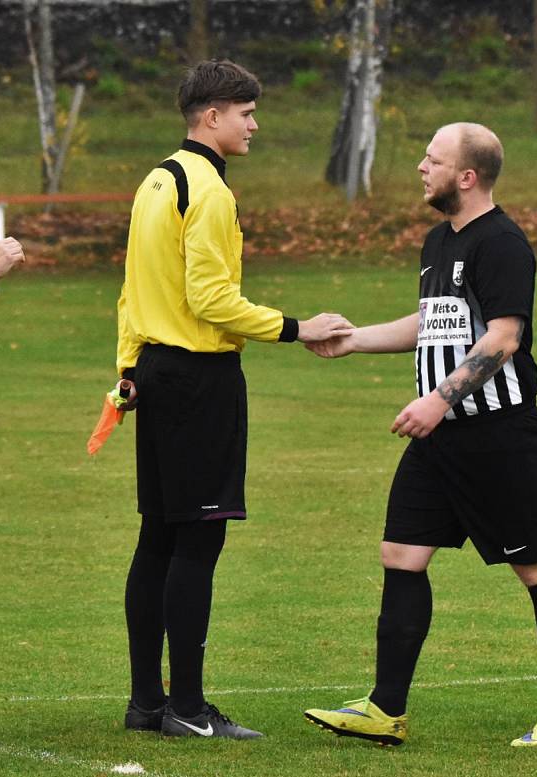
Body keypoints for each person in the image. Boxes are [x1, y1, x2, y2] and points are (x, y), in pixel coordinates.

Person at [303, 122, 537, 748]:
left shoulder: (503, 243)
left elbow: (504, 336)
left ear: (467, 176)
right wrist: (356, 340)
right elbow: (434, 322)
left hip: (499, 438)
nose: (419, 167)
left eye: (432, 160)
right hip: (440, 443)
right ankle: (386, 709)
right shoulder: (439, 240)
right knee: (401, 556)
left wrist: (438, 398)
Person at [116, 59, 352, 740]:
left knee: (157, 536)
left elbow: (134, 291)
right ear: (211, 115)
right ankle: (187, 709)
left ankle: (146, 704)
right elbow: (210, 299)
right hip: (198, 380)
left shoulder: (156, 179)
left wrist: (129, 367)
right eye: (245, 112)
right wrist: (295, 328)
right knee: (197, 541)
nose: (254, 124)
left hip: (156, 373)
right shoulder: (208, 190)